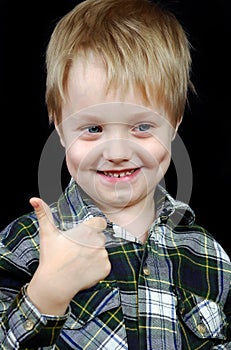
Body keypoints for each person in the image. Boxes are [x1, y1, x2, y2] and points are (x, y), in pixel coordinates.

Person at [0, 0, 230, 348]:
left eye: (141, 127)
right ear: (60, 127)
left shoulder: (209, 255)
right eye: (93, 128)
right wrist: (46, 294)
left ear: (175, 123)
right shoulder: (24, 247)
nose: (118, 153)